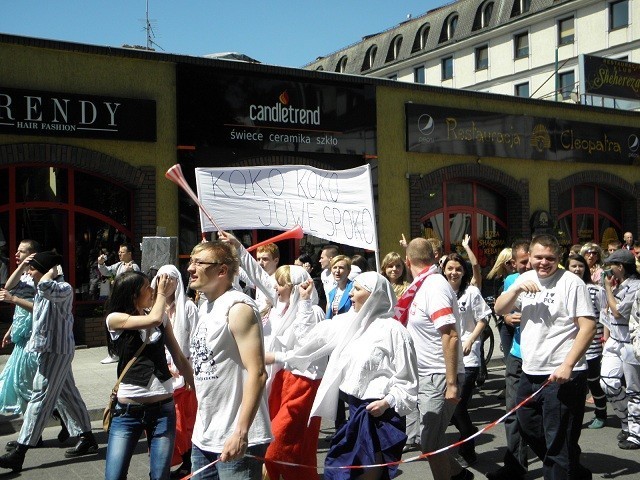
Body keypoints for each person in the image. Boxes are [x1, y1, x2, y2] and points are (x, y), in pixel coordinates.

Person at [273, 272, 418, 480]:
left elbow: (408, 380)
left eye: (357, 289)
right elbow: (309, 339)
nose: (351, 293)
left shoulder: (395, 331)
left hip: (379, 416)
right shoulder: (348, 322)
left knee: (367, 475)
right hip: (356, 410)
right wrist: (304, 301)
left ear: (374, 295)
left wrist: (387, 402)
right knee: (341, 471)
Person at [220, 229, 327, 480]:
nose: (275, 287)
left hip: (298, 385)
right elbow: (259, 276)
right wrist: (237, 247)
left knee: (282, 446)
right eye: (276, 283)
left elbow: (305, 349)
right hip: (275, 381)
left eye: (281, 283)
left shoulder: (313, 313)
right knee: (282, 447)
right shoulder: (278, 306)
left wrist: (276, 356)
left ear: (296, 287)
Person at [495, 234, 596, 479]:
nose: (543, 262)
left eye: (550, 258)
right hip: (530, 371)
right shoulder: (524, 279)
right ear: (528, 257)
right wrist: (516, 288)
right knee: (528, 426)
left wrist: (568, 365)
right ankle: (573, 469)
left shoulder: (572, 283)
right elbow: (499, 309)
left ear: (558, 258)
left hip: (561, 375)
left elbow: (588, 326)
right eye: (538, 257)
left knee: (557, 441)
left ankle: (564, 467)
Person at [0, 251, 98, 473]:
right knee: (69, 395)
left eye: (33, 268)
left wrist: (52, 270)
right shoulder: (39, 284)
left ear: (47, 270)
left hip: (56, 350)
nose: (29, 272)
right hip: (46, 350)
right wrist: (25, 265)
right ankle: (88, 437)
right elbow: (11, 287)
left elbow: (45, 287)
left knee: (39, 398)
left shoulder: (62, 288)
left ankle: (20, 451)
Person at [188, 241, 272, 479]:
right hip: (204, 434)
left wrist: (241, 433)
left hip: (236, 436)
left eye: (199, 263)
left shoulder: (238, 308)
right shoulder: (205, 307)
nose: (190, 269)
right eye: (191, 262)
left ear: (222, 271)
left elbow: (257, 373)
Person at [104, 270, 194, 480]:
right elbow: (153, 318)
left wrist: (198, 387)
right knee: (114, 475)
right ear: (133, 294)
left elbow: (179, 358)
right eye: (147, 287)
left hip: (163, 409)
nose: (153, 290)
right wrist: (163, 294)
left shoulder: (160, 319)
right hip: (127, 412)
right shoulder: (115, 319)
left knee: (160, 475)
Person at [400, 238, 472, 480]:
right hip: (423, 374)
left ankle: (455, 476)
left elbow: (450, 335)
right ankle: (460, 475)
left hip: (439, 375)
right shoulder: (420, 286)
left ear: (407, 261)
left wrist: (452, 383)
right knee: (430, 441)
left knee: (429, 442)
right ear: (433, 258)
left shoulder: (434, 287)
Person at [486, 239, 531, 480]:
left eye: (529, 261)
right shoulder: (511, 280)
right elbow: (502, 309)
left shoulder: (557, 281)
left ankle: (563, 464)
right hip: (517, 355)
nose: (528, 266)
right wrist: (507, 318)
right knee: (512, 412)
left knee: (542, 417)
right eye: (523, 262)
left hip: (544, 361)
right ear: (514, 263)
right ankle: (515, 466)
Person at [150, 265, 199, 478]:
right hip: (161, 373)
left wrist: (191, 372)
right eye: (162, 278)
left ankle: (188, 462)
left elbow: (197, 340)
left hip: (183, 372)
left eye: (171, 279)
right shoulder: (154, 309)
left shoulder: (188, 307)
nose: (166, 283)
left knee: (184, 421)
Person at [442, 253, 491, 467]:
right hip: (446, 357)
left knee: (458, 406)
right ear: (443, 270)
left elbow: (484, 318)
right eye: (450, 268)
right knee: (450, 408)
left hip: (468, 358)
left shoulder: (471, 292)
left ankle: (468, 450)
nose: (454, 273)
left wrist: (471, 339)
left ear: (464, 272)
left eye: (458, 269)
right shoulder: (440, 292)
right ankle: (469, 432)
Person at [599, 248, 640, 449]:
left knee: (634, 389)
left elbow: (617, 313)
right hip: (614, 341)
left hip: (630, 343)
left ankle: (636, 432)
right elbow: (605, 315)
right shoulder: (617, 286)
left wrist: (607, 289)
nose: (608, 271)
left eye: (611, 266)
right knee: (607, 382)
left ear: (621, 267)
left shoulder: (635, 287)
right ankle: (626, 420)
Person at [565, 253, 608, 429]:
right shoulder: (562, 288)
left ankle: (601, 413)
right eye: (573, 266)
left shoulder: (596, 290)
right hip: (568, 346)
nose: (577, 269)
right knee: (571, 386)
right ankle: (572, 419)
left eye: (580, 266)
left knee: (593, 382)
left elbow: (605, 317)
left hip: (592, 346)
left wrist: (605, 338)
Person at [0, 240, 40, 415]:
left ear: (32, 255)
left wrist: (13, 299)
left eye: (21, 252)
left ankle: (53, 415)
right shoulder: (23, 276)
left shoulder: (39, 279)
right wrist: (10, 330)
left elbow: (40, 309)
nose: (16, 255)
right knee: (18, 381)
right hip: (21, 337)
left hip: (33, 337)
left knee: (24, 382)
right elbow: (8, 287)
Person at [98, 243, 141, 364]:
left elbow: (134, 284)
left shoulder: (134, 267)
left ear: (129, 254)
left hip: (126, 304)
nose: (119, 254)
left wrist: (126, 274)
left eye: (122, 252)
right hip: (117, 301)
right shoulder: (119, 265)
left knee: (121, 328)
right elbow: (106, 271)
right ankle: (114, 352)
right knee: (111, 327)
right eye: (119, 252)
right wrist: (101, 263)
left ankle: (117, 352)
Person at [326, 255, 353, 319]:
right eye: (334, 267)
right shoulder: (332, 292)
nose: (337, 271)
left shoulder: (354, 288)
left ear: (349, 271)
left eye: (341, 268)